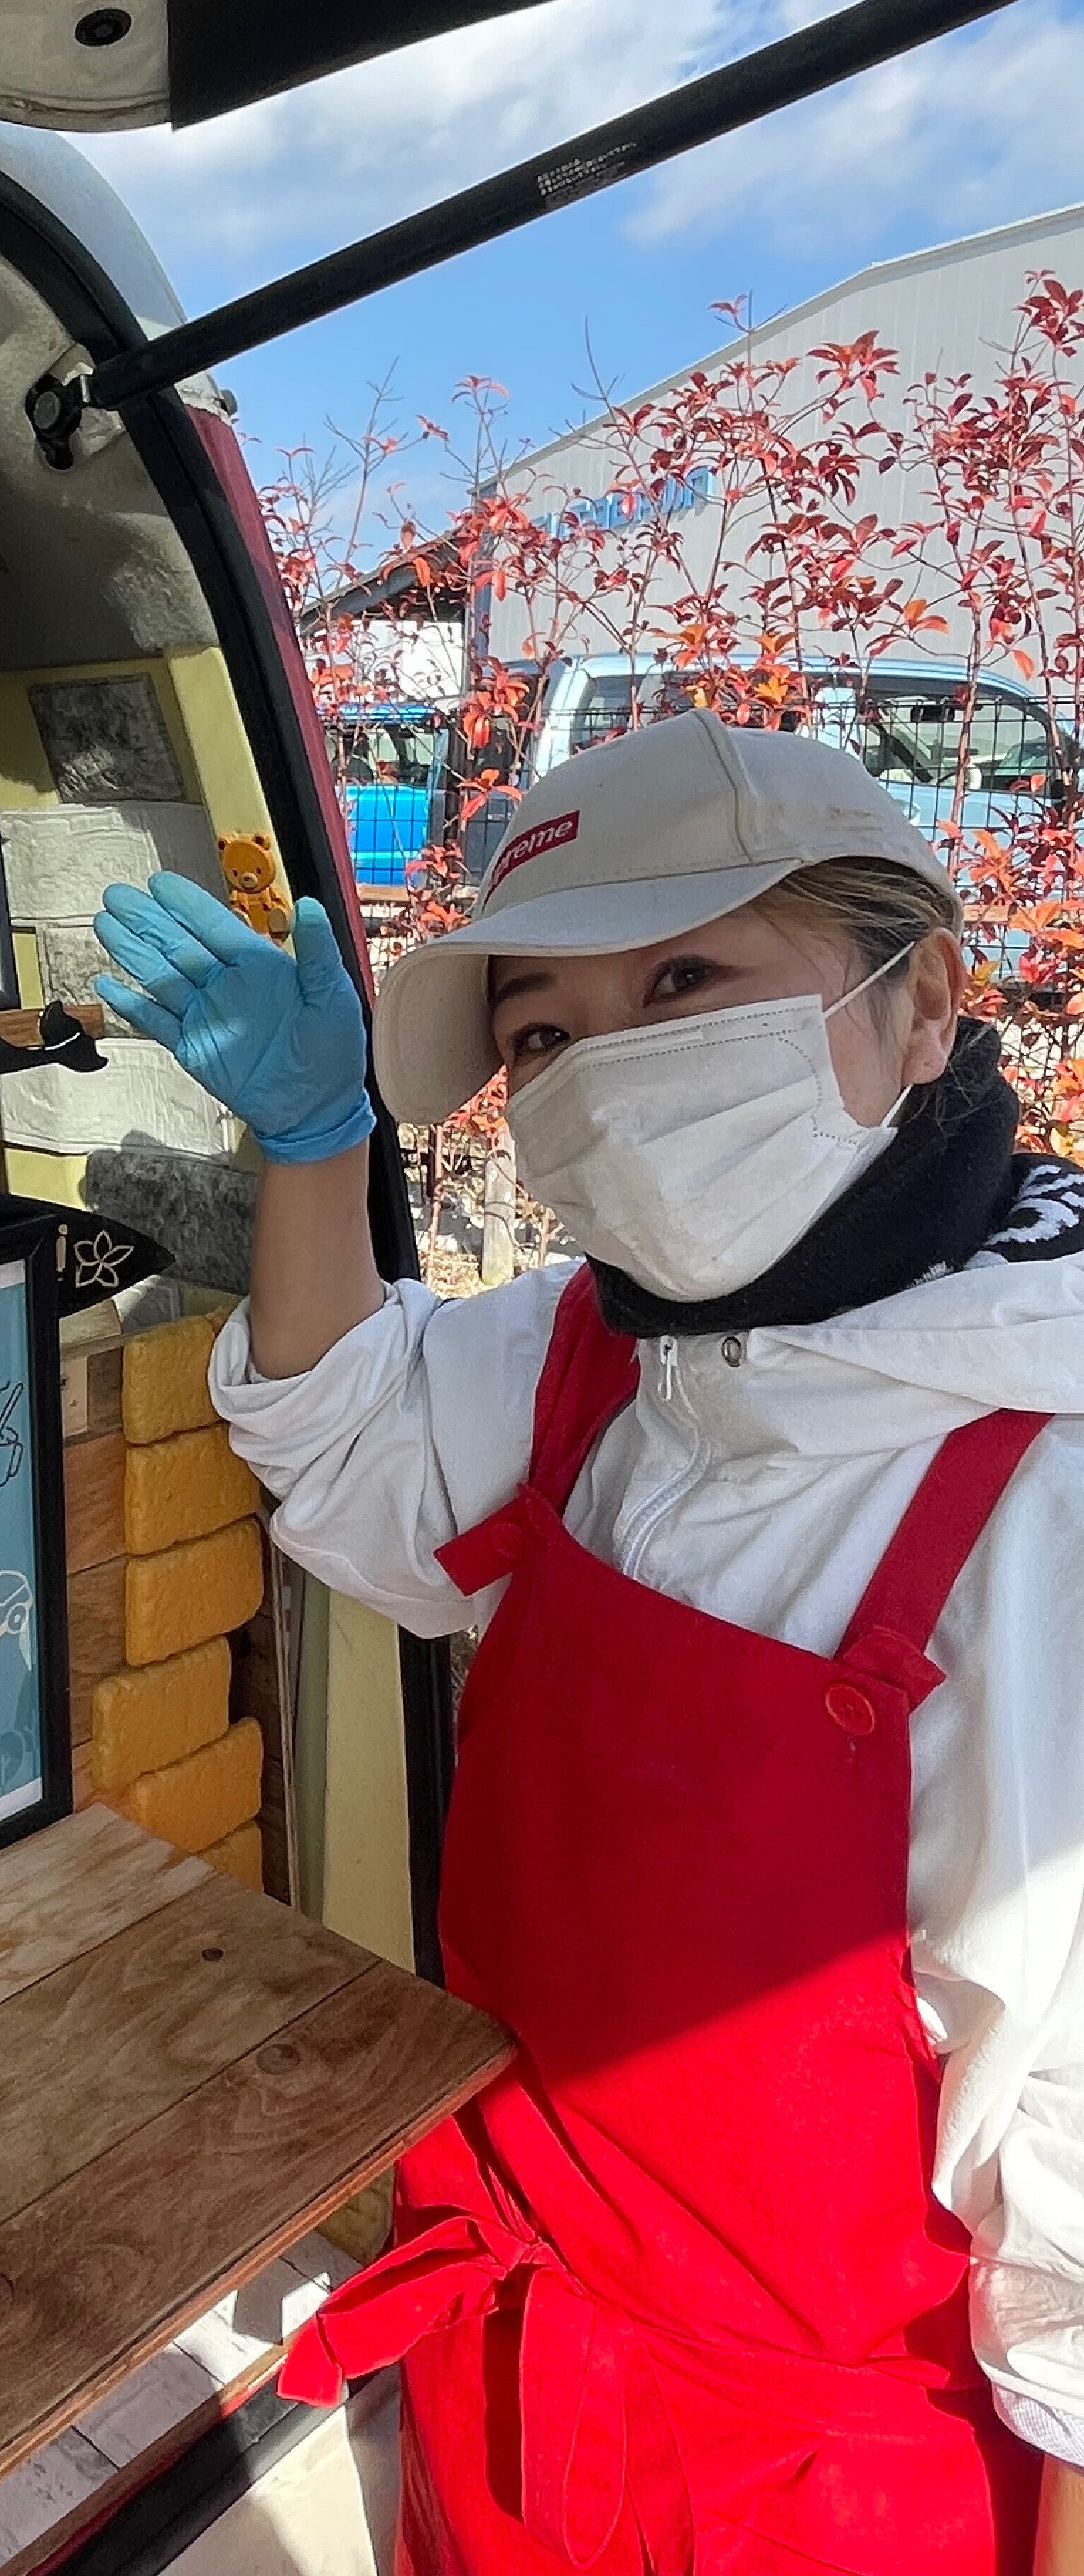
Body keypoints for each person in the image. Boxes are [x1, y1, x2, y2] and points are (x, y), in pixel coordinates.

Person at [93, 708, 1084, 2575]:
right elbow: (353, 1438)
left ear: (926, 1000)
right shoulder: (612, 1358)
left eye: (685, 979)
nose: (609, 1071)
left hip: (819, 2496)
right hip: (514, 2393)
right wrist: (314, 1145)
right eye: (545, 1032)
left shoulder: (1044, 1476)